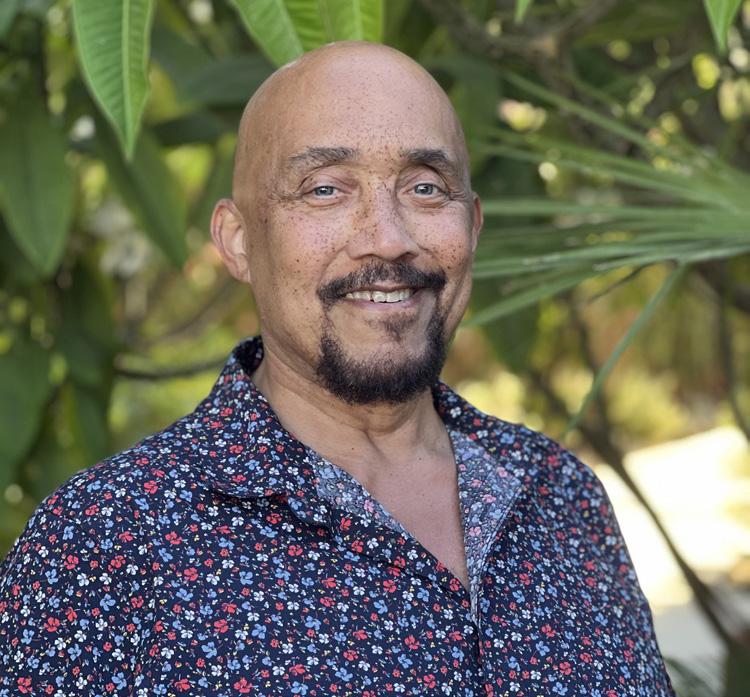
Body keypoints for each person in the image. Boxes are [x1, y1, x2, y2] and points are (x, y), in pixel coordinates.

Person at [0, 41, 675, 696]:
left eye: (425, 187)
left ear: (472, 226)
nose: (388, 238)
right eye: (325, 189)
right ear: (238, 240)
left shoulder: (560, 493)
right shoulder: (102, 543)